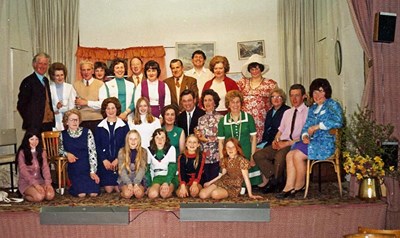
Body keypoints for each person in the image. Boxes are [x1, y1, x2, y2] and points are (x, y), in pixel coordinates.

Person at [276, 78, 343, 199]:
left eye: (320, 91)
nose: (317, 95)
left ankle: (300, 185)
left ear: (326, 91)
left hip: (326, 144)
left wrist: (319, 126)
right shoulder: (312, 108)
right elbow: (306, 126)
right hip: (312, 142)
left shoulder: (332, 104)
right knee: (289, 155)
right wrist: (305, 135)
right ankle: (289, 186)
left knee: (297, 155)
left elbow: (338, 121)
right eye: (314, 92)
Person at [253, 84, 308, 193]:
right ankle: (275, 179)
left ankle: (275, 182)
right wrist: (275, 140)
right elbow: (280, 130)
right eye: (292, 95)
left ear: (303, 97)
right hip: (281, 142)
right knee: (258, 155)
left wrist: (287, 143)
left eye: (297, 95)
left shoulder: (308, 113)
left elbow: (305, 136)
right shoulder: (287, 112)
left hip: (294, 144)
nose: (294, 99)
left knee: (279, 157)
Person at [217, 90, 262, 187]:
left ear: (241, 103)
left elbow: (253, 138)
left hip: (246, 153)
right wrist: (222, 160)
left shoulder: (248, 118)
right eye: (232, 102)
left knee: (257, 185)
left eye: (238, 102)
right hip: (230, 155)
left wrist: (252, 156)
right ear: (228, 104)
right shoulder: (223, 121)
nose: (235, 105)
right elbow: (220, 142)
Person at [59, 109, 100, 197]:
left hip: (87, 167)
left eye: (76, 120)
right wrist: (67, 154)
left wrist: (93, 171)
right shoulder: (63, 135)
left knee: (94, 193)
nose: (75, 122)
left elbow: (92, 152)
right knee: (81, 194)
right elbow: (60, 150)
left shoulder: (87, 132)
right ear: (66, 122)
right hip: (75, 169)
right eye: (72, 120)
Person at [237, 54, 277, 143]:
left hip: (261, 120)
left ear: (261, 69)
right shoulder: (242, 83)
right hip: (244, 120)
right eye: (252, 69)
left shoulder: (270, 84)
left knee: (259, 144)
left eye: (257, 68)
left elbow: (276, 102)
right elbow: (235, 99)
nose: (255, 71)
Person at [95, 97, 129, 193]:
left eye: (113, 108)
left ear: (117, 109)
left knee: (119, 189)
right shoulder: (99, 127)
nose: (111, 111)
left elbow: (126, 144)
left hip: (120, 162)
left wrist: (118, 159)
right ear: (104, 110)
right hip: (105, 164)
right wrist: (104, 160)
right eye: (108, 108)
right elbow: (97, 145)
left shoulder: (124, 125)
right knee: (109, 190)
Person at [17, 52, 55, 132]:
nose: (43, 66)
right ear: (34, 64)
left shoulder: (46, 80)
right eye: (40, 63)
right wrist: (31, 121)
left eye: (45, 64)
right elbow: (21, 105)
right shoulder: (28, 81)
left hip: (48, 124)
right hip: (34, 126)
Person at [16, 130, 55, 202]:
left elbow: (45, 168)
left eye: (36, 139)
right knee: (39, 197)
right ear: (27, 140)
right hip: (27, 182)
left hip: (40, 180)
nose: (34, 142)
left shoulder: (42, 151)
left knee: (50, 195)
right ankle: (24, 195)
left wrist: (48, 183)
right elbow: (23, 170)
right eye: (32, 139)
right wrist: (35, 184)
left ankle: (37, 192)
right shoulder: (22, 152)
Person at [195, 89, 223, 184]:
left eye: (210, 100)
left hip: (216, 157)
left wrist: (206, 139)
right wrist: (197, 135)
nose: (207, 103)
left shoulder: (221, 118)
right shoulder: (200, 119)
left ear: (215, 102)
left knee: (214, 184)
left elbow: (222, 138)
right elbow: (199, 136)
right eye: (205, 100)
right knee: (204, 184)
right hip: (204, 157)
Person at [73, 60, 104, 134]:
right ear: (80, 72)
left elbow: (102, 104)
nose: (86, 72)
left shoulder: (100, 84)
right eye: (83, 70)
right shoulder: (75, 85)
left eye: (88, 69)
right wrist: (78, 106)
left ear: (92, 71)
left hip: (97, 120)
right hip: (81, 121)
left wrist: (86, 102)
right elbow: (73, 104)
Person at [145, 128, 177, 199]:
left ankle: (170, 189)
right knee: (152, 195)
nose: (160, 140)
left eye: (162, 137)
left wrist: (167, 182)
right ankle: (159, 189)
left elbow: (172, 168)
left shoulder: (171, 149)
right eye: (157, 138)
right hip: (157, 177)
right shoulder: (149, 150)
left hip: (169, 176)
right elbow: (147, 169)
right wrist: (149, 185)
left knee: (164, 194)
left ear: (166, 139)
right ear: (153, 139)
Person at [118, 130, 147, 199]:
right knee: (128, 195)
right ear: (127, 140)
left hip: (139, 180)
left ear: (139, 140)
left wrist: (136, 183)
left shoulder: (143, 151)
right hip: (126, 180)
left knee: (139, 195)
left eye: (135, 139)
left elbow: (142, 169)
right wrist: (129, 183)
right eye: (131, 139)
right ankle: (122, 193)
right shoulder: (122, 151)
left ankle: (142, 190)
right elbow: (122, 170)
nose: (133, 141)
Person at [48, 62, 77, 131]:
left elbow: (72, 107)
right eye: (57, 75)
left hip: (68, 122)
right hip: (54, 123)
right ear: (53, 76)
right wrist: (56, 108)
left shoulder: (70, 87)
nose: (60, 77)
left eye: (62, 75)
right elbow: (48, 108)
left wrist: (59, 109)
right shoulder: (49, 89)